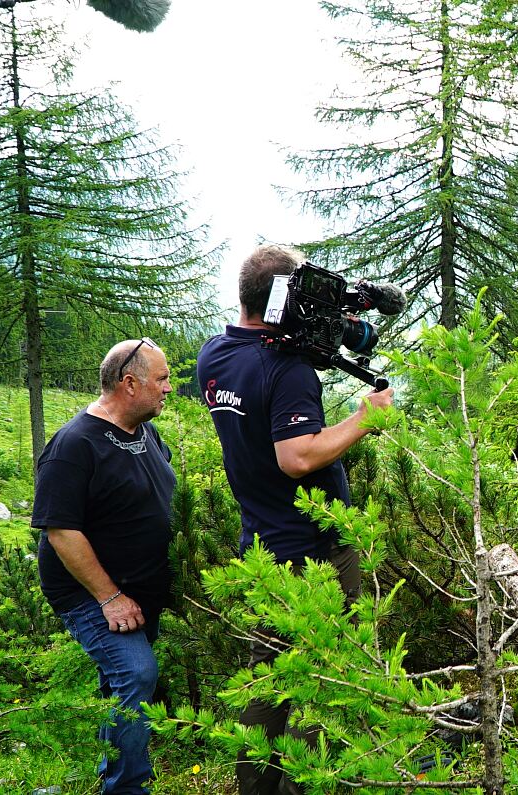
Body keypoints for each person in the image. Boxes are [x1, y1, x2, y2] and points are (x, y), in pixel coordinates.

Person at [196, 244, 393, 795]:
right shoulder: (287, 369)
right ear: (289, 298)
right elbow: (297, 456)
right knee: (325, 671)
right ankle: (306, 784)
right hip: (315, 544)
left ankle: (256, 785)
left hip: (261, 540)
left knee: (269, 673)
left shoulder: (215, 355)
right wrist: (364, 417)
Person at [34, 338, 176, 794]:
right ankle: (126, 787)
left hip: (140, 587)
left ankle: (110, 764)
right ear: (129, 384)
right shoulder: (73, 445)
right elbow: (60, 531)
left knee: (121, 682)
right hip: (92, 592)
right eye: (162, 379)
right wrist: (110, 597)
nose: (168, 388)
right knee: (137, 674)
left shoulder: (146, 432)